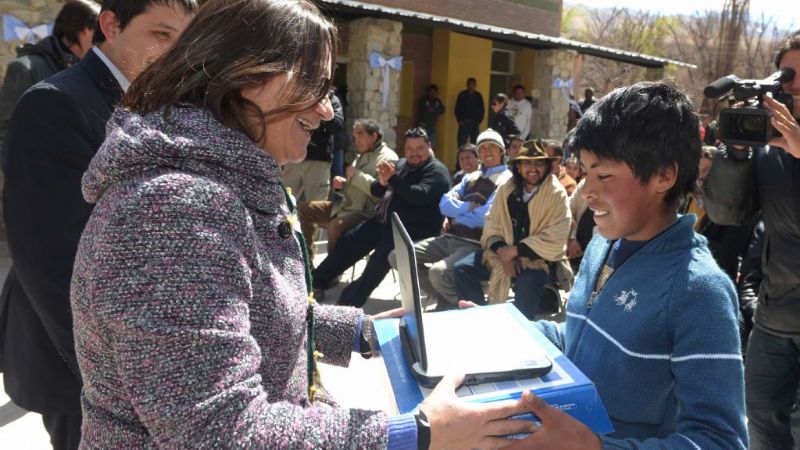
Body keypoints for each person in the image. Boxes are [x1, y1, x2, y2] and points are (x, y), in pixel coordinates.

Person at [68, 1, 534, 448]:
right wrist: (417, 433)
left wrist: (368, 332)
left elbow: (253, 312)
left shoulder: (224, 181)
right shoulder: (173, 210)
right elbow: (217, 433)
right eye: (313, 83)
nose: (328, 110)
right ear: (246, 75)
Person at [507, 81, 747, 449]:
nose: (586, 190)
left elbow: (721, 440)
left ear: (664, 176)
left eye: (603, 175)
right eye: (585, 172)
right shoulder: (602, 244)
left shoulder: (698, 290)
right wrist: (501, 331)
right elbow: (578, 341)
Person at [0, 1, 196, 449]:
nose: (171, 53)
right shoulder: (55, 104)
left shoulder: (151, 99)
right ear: (110, 24)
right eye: (160, 34)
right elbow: (53, 261)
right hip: (81, 368)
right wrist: (110, 379)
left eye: (180, 40)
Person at [703, 30, 800, 450]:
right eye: (788, 75)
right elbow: (726, 212)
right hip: (777, 317)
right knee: (759, 422)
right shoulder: (768, 146)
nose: (795, 85)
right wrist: (737, 154)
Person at [313, 127, 451, 308]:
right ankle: (317, 282)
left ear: (429, 147)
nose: (414, 153)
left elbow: (419, 195)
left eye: (420, 148)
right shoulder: (402, 165)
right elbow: (378, 190)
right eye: (410, 149)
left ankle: (349, 301)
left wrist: (392, 179)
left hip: (411, 230)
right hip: (384, 221)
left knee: (379, 258)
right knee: (350, 241)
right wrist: (383, 181)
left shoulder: (437, 171)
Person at [453, 140, 570, 320]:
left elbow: (557, 235)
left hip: (541, 260)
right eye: (527, 163)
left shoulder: (556, 193)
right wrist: (503, 253)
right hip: (502, 254)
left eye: (539, 163)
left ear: (546, 166)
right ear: (519, 167)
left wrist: (516, 251)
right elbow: (492, 222)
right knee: (462, 269)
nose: (533, 168)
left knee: (527, 282)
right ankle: (479, 319)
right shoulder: (507, 189)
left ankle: (522, 331)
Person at [402, 129, 511, 311]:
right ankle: (444, 295)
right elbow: (444, 205)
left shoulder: (506, 180)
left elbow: (485, 217)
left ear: (502, 151)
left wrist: (457, 213)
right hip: (449, 237)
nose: (487, 151)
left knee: (438, 272)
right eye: (483, 148)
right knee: (400, 255)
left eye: (492, 147)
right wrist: (468, 207)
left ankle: (463, 307)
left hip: (474, 242)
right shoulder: (470, 176)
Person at [0, 0, 100, 145]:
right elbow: (7, 135)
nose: (103, 41)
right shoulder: (25, 70)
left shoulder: (88, 72)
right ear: (80, 30)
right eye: (98, 33)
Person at [297, 118, 397, 261]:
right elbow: (355, 187)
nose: (356, 140)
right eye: (354, 136)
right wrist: (342, 186)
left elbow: (379, 192)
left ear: (374, 136)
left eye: (360, 135)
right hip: (344, 208)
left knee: (334, 226)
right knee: (304, 209)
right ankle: (307, 261)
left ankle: (329, 273)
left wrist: (356, 176)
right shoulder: (361, 155)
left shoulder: (388, 158)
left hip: (365, 213)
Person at [282, 89, 344, 203]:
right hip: (293, 158)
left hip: (319, 159)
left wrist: (320, 112)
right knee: (284, 201)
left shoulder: (332, 100)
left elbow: (338, 126)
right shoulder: (298, 93)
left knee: (317, 205)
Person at [455, 77, 484, 145]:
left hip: (475, 123)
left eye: (473, 84)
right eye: (470, 84)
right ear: (467, 85)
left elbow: (481, 109)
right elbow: (457, 108)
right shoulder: (462, 94)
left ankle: (473, 156)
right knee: (461, 143)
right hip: (464, 122)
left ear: (475, 85)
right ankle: (460, 155)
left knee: (474, 143)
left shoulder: (478, 95)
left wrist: (479, 120)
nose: (471, 85)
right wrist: (460, 120)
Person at [417, 83, 445, 149]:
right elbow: (424, 111)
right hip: (423, 125)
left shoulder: (437, 101)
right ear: (428, 92)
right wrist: (433, 109)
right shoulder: (424, 100)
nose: (433, 93)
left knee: (431, 145)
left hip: (432, 126)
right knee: (422, 144)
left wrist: (435, 109)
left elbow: (442, 110)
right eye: (431, 91)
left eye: (434, 92)